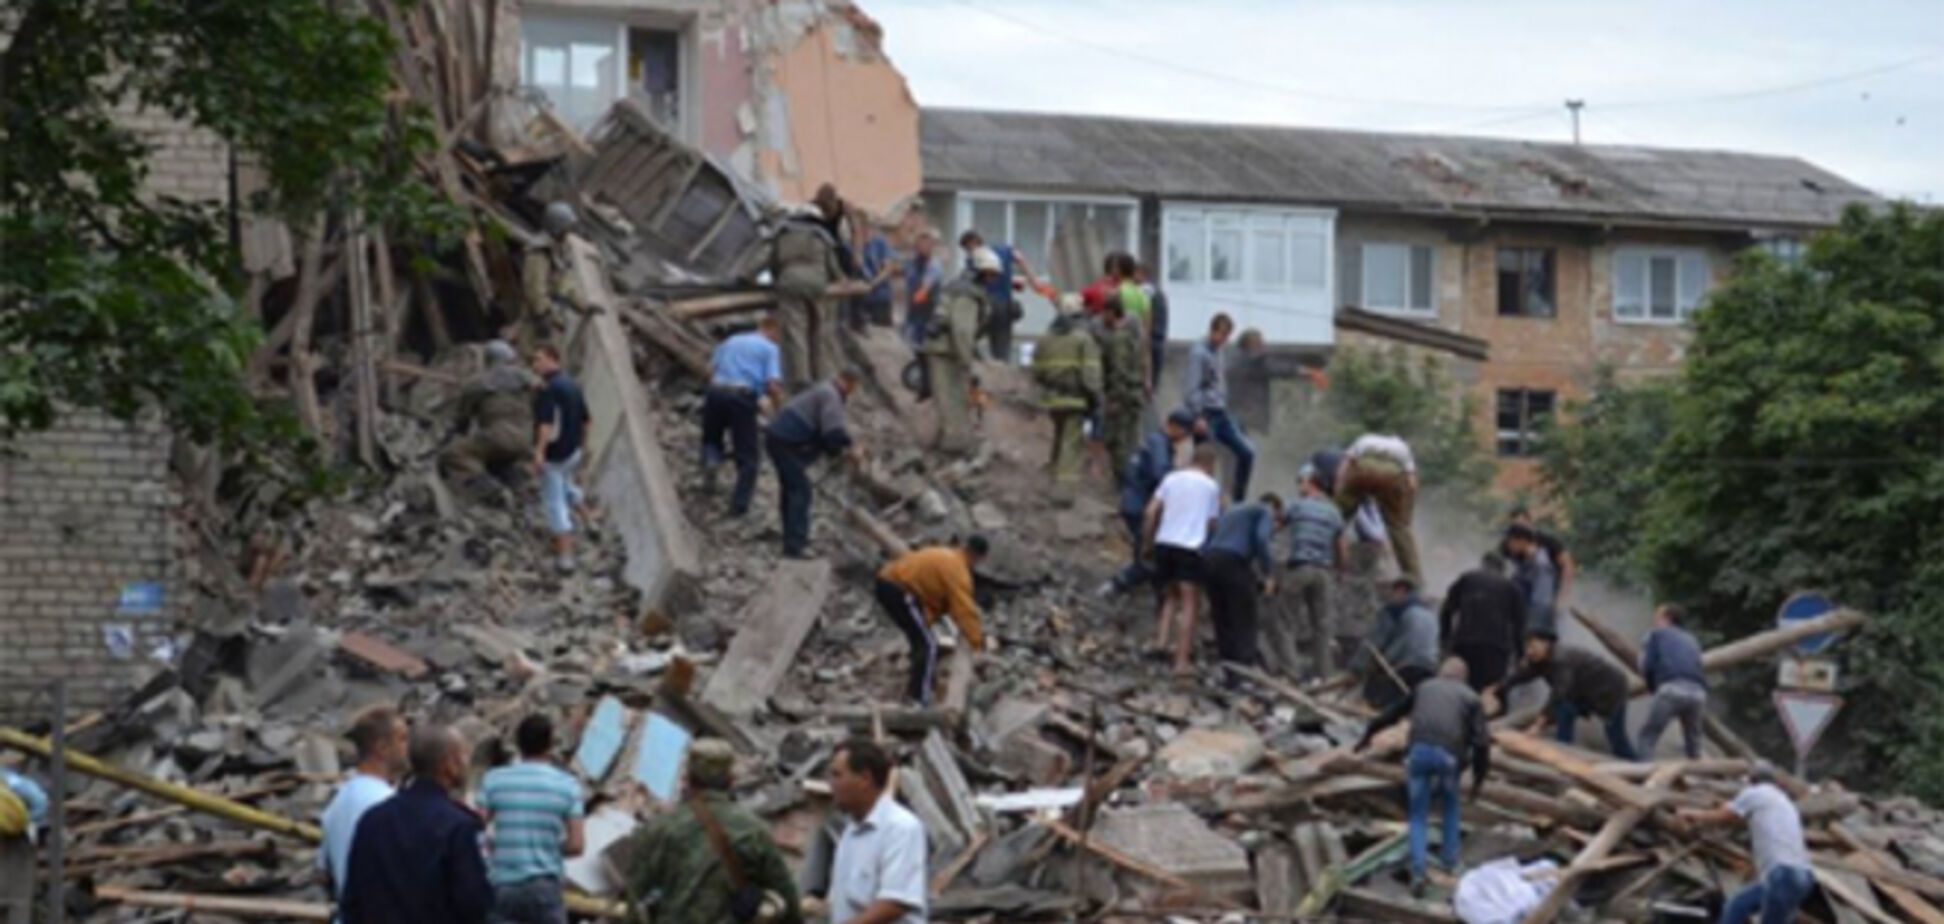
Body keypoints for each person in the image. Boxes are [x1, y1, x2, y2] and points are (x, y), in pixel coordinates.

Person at [626, 739, 801, 924]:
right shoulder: (753, 831)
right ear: (731, 779)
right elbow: (788, 899)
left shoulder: (660, 828)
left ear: (688, 778)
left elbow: (635, 896)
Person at [1356, 658, 1491, 897]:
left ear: (1441, 673)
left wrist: (1366, 738)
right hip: (1449, 758)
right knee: (1450, 807)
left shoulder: (1424, 687)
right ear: (1464, 678)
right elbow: (1482, 743)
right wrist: (1478, 782)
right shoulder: (1471, 698)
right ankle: (1450, 862)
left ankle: (1418, 872)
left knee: (1418, 815)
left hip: (1418, 754)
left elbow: (1391, 714)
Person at [341, 725, 493, 924]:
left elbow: (352, 900)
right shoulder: (458, 827)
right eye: (463, 756)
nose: (467, 764)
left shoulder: (371, 821)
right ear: (449, 764)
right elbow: (474, 904)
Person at [479, 715, 585, 924]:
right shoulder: (568, 785)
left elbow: (475, 830)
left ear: (518, 744)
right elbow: (576, 845)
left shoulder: (494, 779)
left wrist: (498, 844)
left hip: (502, 886)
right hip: (545, 887)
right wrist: (549, 848)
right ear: (550, 744)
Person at [1676, 763, 1813, 924]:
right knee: (1738, 905)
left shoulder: (1756, 793)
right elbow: (1765, 833)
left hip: (1783, 875)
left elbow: (1726, 816)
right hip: (1803, 877)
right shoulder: (1784, 802)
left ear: (1752, 781)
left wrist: (1693, 814)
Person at [875, 536, 989, 706]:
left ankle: (916, 683)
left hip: (889, 583)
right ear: (978, 557)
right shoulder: (957, 570)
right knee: (928, 645)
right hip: (899, 590)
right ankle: (918, 699)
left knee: (920, 640)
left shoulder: (945, 555)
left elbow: (934, 599)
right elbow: (964, 609)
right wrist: (976, 642)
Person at [1144, 444, 1226, 677]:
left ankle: (1160, 642)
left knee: (1170, 595)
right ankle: (1181, 661)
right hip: (1190, 547)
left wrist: (1148, 542)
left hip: (1164, 542)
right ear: (1210, 464)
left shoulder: (1171, 478)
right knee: (1190, 603)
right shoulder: (1211, 486)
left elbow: (1151, 512)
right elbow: (1213, 522)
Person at [827, 739, 927, 924]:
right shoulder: (850, 832)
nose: (831, 784)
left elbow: (894, 903)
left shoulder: (901, 828)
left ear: (865, 778)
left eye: (837, 775)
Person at [321, 706, 408, 914]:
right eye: (403, 739)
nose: (409, 747)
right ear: (382, 748)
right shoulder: (387, 804)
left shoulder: (336, 803)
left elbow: (325, 872)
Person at [1497, 630, 1637, 759]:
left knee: (1618, 739)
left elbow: (1559, 692)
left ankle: (1638, 767)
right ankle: (1563, 749)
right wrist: (1499, 687)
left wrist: (1540, 723)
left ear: (1546, 644)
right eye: (1527, 647)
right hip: (1584, 692)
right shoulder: (1543, 659)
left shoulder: (1560, 659)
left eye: (1533, 646)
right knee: (1565, 710)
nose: (1529, 652)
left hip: (1609, 691)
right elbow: (1523, 674)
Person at [765, 371, 861, 559]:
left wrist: (845, 446)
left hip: (780, 439)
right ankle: (795, 545)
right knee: (800, 491)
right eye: (853, 387)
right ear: (848, 383)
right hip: (786, 443)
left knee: (791, 489)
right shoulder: (831, 395)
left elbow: (830, 433)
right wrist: (848, 448)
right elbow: (832, 434)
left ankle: (791, 540)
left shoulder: (823, 390)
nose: (852, 392)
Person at [1268, 466, 1347, 681]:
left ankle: (1291, 673)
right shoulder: (1334, 512)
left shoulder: (1297, 506)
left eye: (1301, 481)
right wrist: (1340, 572)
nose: (1299, 486)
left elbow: (1275, 525)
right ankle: (1325, 676)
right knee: (1322, 627)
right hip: (1324, 573)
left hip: (1300, 568)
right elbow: (1341, 547)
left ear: (1310, 482)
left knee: (1283, 621)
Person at [1106, 409, 1195, 596]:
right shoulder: (1159, 445)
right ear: (1174, 427)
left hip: (1134, 503)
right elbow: (1161, 475)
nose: (1184, 439)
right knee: (1148, 559)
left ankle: (1156, 594)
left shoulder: (1154, 442)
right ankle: (1114, 588)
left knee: (1150, 555)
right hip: (1141, 507)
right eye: (1185, 433)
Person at [704, 316, 786, 517]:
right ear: (773, 330)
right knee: (748, 456)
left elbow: (710, 370)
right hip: (741, 396)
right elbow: (773, 385)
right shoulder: (769, 348)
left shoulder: (731, 340)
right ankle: (738, 507)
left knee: (712, 437)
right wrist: (779, 411)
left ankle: (711, 460)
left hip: (716, 391)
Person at [1201, 493, 1285, 684]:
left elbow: (1210, 537)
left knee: (1222, 617)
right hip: (1233, 562)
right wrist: (1270, 573)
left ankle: (1229, 671)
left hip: (1210, 560)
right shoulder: (1264, 510)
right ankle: (1245, 672)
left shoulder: (1232, 512)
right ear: (1275, 510)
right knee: (1244, 617)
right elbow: (1262, 539)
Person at [922, 248, 995, 455]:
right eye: (990, 274)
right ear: (980, 272)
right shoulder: (968, 294)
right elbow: (962, 330)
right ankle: (954, 445)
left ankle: (946, 440)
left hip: (942, 348)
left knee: (949, 398)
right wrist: (967, 360)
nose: (993, 279)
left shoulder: (960, 288)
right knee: (952, 399)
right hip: (945, 350)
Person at [441, 341, 539, 484]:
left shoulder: (477, 383)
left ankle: (487, 487)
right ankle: (516, 486)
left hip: (500, 437)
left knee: (453, 452)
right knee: (494, 461)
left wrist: (447, 439)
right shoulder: (528, 379)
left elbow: (461, 423)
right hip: (526, 441)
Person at [1031, 307, 1102, 504]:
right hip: (1076, 400)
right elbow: (1091, 375)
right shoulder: (1083, 340)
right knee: (1071, 445)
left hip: (1053, 400)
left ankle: (1051, 481)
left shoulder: (1045, 340)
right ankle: (1064, 493)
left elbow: (1036, 371)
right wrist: (1095, 398)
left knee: (1059, 439)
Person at [1183, 313, 1256, 502]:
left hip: (1221, 412)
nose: (1223, 340)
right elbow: (1192, 386)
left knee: (1247, 452)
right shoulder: (1198, 353)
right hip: (1205, 414)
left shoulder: (1219, 352)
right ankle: (1202, 501)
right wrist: (1198, 415)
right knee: (1206, 460)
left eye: (1227, 336)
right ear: (1213, 331)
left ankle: (1238, 498)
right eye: (1221, 335)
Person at [531, 344, 589, 574]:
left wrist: (539, 452)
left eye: (538, 360)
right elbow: (587, 420)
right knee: (566, 484)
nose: (534, 365)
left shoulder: (549, 389)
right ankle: (588, 517)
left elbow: (546, 424)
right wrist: (583, 447)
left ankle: (566, 555)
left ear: (552, 360)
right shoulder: (573, 384)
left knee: (554, 502)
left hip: (555, 455)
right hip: (572, 451)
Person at [774, 209, 847, 391]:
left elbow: (771, 261)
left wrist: (775, 278)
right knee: (818, 329)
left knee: (796, 330)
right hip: (817, 284)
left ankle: (801, 376)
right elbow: (832, 265)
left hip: (790, 283)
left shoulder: (782, 234)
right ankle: (820, 373)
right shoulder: (820, 236)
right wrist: (841, 279)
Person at [1334, 432, 1421, 584]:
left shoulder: (1363, 439)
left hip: (1363, 471)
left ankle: (1324, 553)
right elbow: (1412, 483)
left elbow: (1345, 467)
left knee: (1337, 519)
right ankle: (1413, 577)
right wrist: (1404, 515)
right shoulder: (1402, 448)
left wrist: (1340, 492)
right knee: (1398, 529)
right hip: (1391, 476)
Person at [1438, 553, 1529, 693]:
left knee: (1458, 688)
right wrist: (1520, 655)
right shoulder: (1512, 588)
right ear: (1503, 569)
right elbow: (1519, 626)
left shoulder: (1466, 579)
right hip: (1496, 650)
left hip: (1464, 644)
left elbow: (1446, 611)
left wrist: (1445, 640)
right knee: (1491, 693)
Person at [1355, 577, 1441, 709]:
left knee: (1379, 702)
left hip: (1404, 666)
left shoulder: (1395, 610)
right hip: (1430, 667)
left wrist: (1357, 667)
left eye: (1392, 592)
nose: (1390, 597)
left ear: (1401, 590)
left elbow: (1375, 641)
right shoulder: (1431, 613)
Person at [958, 230, 1043, 362]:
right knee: (1001, 348)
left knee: (968, 338)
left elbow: (977, 283)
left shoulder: (973, 260)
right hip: (1004, 306)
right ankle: (1000, 368)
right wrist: (1033, 280)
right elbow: (1019, 259)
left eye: (967, 248)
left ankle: (980, 365)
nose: (968, 252)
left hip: (986, 306)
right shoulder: (1002, 250)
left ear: (972, 243)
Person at [1637, 604, 1709, 759]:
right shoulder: (1692, 639)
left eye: (1658, 616)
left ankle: (1642, 775)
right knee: (1693, 744)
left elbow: (1646, 666)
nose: (1654, 620)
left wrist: (1652, 687)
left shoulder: (1656, 635)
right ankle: (1700, 776)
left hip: (1671, 689)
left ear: (1667, 618)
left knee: (1647, 737)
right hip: (1698, 693)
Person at [1094, 294, 1148, 483]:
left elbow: (1119, 371)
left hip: (1123, 397)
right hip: (1133, 395)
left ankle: (1124, 485)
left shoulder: (1118, 339)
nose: (1102, 318)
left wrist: (1115, 399)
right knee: (1130, 442)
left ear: (1111, 312)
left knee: (1118, 444)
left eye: (1104, 313)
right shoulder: (1133, 336)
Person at [520, 202, 582, 340]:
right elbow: (534, 289)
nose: (569, 232)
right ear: (557, 228)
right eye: (566, 228)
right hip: (538, 322)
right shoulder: (539, 252)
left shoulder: (557, 249)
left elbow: (563, 283)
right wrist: (543, 314)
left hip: (554, 315)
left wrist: (582, 304)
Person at [0, 767, 48, 924]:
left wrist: (23, 823)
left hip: (15, 841)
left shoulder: (9, 781)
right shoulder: (9, 780)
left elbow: (40, 802)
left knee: (17, 900)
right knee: (18, 901)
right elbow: (40, 802)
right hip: (17, 840)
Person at [1503, 507, 1576, 604]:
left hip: (1549, 589)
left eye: (1521, 526)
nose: (1518, 532)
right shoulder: (1508, 544)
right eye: (1515, 528)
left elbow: (1567, 565)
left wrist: (1564, 594)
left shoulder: (1547, 541)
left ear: (1529, 522)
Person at [1502, 524, 1559, 637]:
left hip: (1531, 627)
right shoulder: (1524, 562)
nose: (1508, 545)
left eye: (1511, 541)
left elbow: (1541, 603)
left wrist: (1529, 631)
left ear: (1522, 541)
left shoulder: (1541, 565)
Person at [901, 231, 945, 348]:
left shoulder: (934, 266)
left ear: (932, 247)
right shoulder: (911, 263)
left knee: (923, 347)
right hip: (913, 313)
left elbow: (923, 290)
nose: (922, 248)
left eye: (926, 245)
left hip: (929, 314)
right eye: (919, 244)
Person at [856, 227, 899, 330]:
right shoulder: (853, 246)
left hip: (880, 298)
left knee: (882, 332)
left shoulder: (879, 243)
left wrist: (872, 284)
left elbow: (888, 269)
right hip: (860, 299)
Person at [1133, 261, 1168, 385]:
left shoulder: (1145, 291)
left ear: (1141, 274)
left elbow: (1144, 317)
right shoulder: (1158, 292)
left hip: (1149, 342)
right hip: (1158, 341)